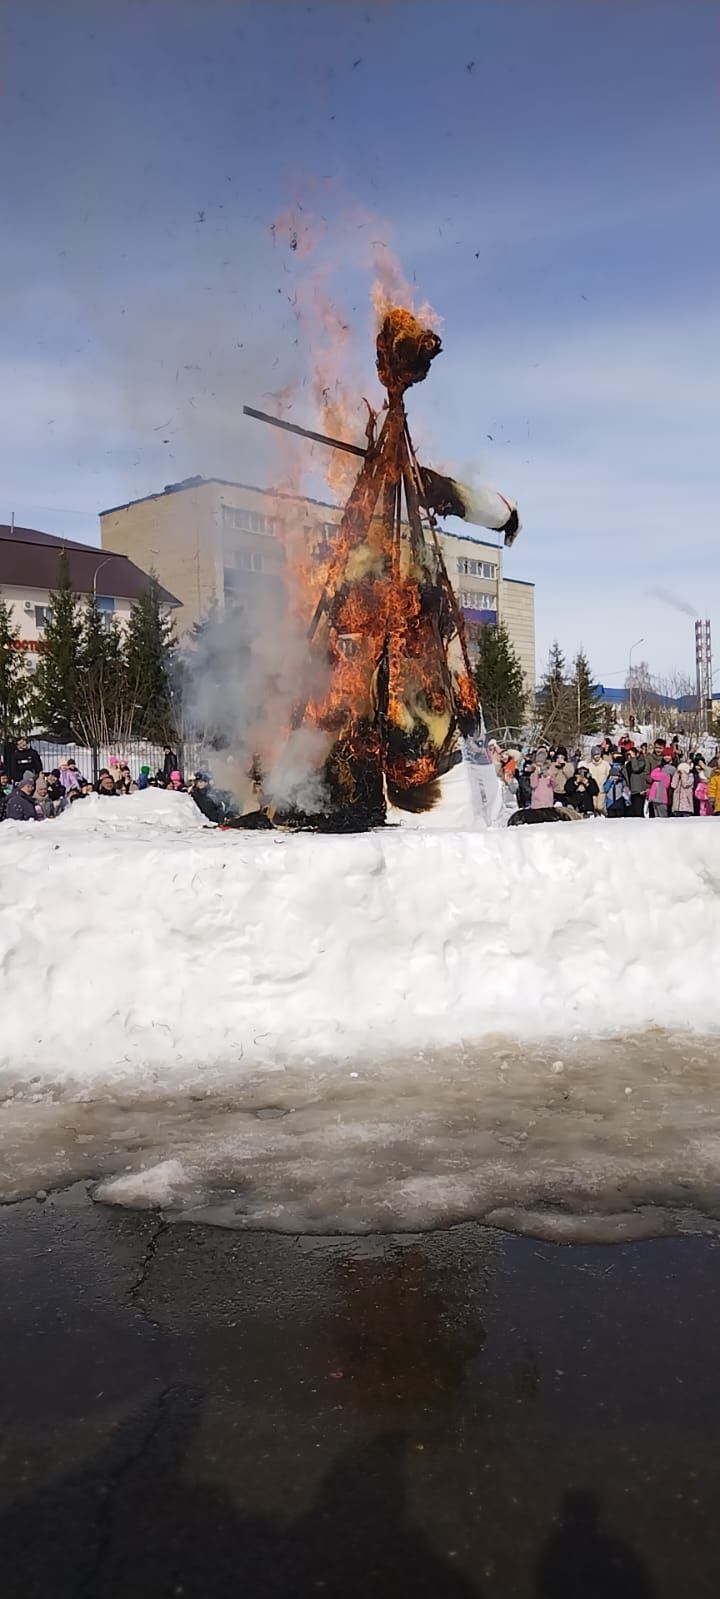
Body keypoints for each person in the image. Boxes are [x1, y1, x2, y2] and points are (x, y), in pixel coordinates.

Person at [624, 746, 648, 818]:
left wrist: (633, 758)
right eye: (628, 755)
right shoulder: (628, 764)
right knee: (630, 813)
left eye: (631, 754)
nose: (630, 756)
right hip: (630, 791)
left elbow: (635, 768)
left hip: (639, 791)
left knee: (638, 812)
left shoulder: (642, 762)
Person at [586, 745, 610, 813]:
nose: (597, 756)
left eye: (598, 754)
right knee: (594, 806)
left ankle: (604, 816)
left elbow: (609, 775)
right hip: (593, 789)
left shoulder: (605, 764)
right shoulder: (589, 765)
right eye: (595, 754)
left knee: (600, 807)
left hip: (602, 788)